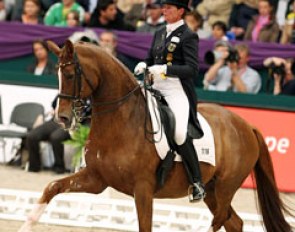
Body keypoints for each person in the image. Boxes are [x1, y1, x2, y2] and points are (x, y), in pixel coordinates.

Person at [134, 0, 205, 202]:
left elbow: (192, 69)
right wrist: (144, 64)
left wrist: (166, 69)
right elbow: (151, 58)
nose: (164, 11)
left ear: (181, 11)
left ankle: (197, 182)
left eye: (168, 8)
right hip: (155, 85)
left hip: (176, 89)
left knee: (180, 133)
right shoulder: (159, 32)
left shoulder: (189, 36)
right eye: (163, 8)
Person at [26, 96, 71, 174]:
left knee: (56, 137)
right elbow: (53, 107)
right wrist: (42, 115)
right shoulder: (61, 93)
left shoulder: (82, 95)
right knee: (32, 135)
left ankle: (59, 167)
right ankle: (34, 167)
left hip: (70, 123)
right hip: (54, 121)